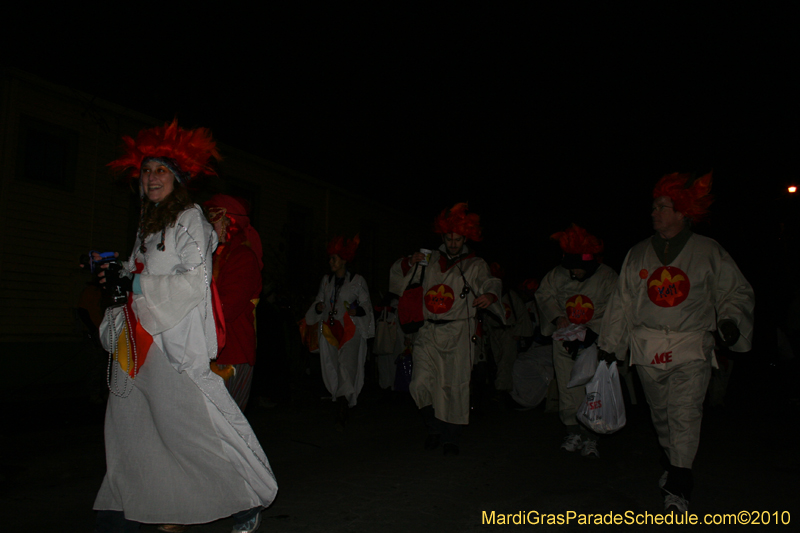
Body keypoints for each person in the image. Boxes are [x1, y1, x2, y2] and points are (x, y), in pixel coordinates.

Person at [92, 120, 276, 533]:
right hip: (138, 344)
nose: (152, 177)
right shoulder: (146, 223)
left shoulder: (192, 218)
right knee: (133, 426)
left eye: (161, 170)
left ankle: (245, 497)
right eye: (146, 170)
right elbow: (143, 270)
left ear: (176, 177)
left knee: (192, 431)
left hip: (172, 347)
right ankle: (130, 503)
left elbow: (194, 280)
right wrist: (115, 273)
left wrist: (135, 282)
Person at [598, 172, 754, 512]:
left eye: (662, 207)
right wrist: (610, 344)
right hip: (647, 349)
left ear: (683, 212)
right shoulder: (638, 254)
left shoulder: (708, 251)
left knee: (685, 413)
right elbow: (622, 301)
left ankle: (680, 484)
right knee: (662, 416)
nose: (654, 212)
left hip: (691, 347)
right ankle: (672, 463)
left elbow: (734, 290)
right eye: (653, 207)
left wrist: (729, 320)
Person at [405, 203, 504, 456]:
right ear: (443, 236)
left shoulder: (475, 264)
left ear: (465, 238)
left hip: (458, 332)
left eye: (457, 239)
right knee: (419, 383)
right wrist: (410, 262)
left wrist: (490, 295)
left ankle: (450, 437)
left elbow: (488, 281)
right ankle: (433, 425)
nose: (452, 243)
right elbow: (403, 279)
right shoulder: (429, 260)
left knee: (453, 386)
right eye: (449, 238)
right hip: (428, 332)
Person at [536, 224, 618, 458]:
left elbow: (617, 308)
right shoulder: (557, 274)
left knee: (592, 388)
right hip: (565, 340)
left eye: (581, 269)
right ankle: (572, 431)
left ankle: (592, 435)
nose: (576, 273)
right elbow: (543, 295)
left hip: (594, 342)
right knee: (567, 385)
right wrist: (557, 317)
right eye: (572, 268)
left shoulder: (607, 277)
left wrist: (593, 332)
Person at [304, 235, 374, 426]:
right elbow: (320, 300)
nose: (330, 262)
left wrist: (356, 310)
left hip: (350, 330)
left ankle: (343, 405)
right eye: (330, 258)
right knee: (333, 366)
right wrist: (319, 307)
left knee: (346, 366)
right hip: (330, 330)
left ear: (344, 260)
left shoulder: (358, 281)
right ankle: (342, 397)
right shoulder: (326, 281)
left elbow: (366, 305)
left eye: (334, 258)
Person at [204, 194, 263, 411]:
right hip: (207, 351)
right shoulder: (210, 256)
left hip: (232, 353)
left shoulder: (243, 257)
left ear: (230, 222)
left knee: (226, 429)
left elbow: (227, 308)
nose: (208, 225)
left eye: (215, 219)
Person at [484, 262, 534, 393]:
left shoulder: (510, 295)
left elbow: (521, 314)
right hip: (493, 333)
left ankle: (502, 391)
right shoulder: (487, 296)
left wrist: (519, 332)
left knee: (506, 363)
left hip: (508, 333)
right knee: (495, 361)